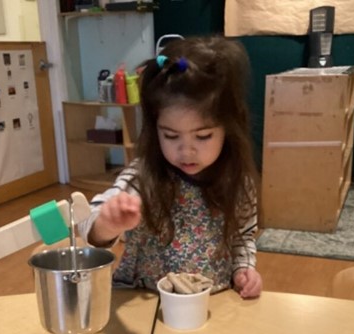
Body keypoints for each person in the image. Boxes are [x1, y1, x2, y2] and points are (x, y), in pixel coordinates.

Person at [78, 35, 263, 299]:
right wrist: (108, 224)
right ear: (155, 131)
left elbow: (242, 236)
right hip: (143, 298)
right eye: (171, 136)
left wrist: (243, 270)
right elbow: (90, 222)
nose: (186, 151)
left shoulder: (237, 180)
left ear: (229, 129)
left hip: (211, 300)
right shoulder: (144, 175)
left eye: (203, 136)